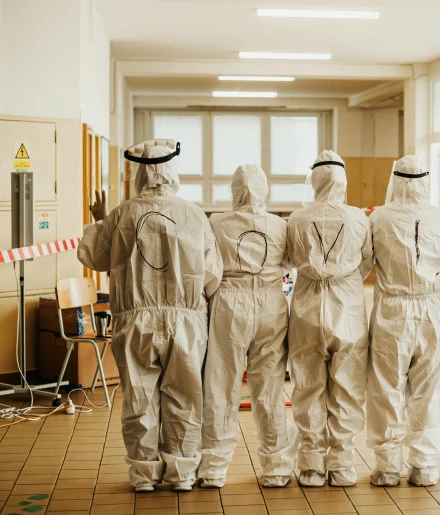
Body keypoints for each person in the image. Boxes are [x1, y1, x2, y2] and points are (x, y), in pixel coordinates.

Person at [78, 140, 223, 492]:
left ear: (139, 174)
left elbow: (95, 259)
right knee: (185, 397)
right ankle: (182, 474)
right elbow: (211, 274)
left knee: (139, 397)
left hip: (134, 320)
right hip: (186, 320)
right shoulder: (193, 213)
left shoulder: (121, 214)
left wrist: (99, 219)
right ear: (173, 172)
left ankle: (144, 475)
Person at [198, 164, 298, 488]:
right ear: (264, 189)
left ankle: (213, 469)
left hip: (229, 301)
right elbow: (288, 268)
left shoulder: (216, 223)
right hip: (272, 303)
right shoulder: (280, 226)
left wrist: (215, 298)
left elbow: (209, 269)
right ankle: (277, 468)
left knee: (220, 386)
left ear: (234, 191)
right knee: (269, 389)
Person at [287, 150, 373, 487]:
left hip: (307, 306)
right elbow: (366, 262)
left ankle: (310, 465)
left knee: (308, 386)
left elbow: (292, 258)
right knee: (348, 387)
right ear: (343, 180)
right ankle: (342, 464)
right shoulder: (358, 218)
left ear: (315, 180)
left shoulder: (297, 218)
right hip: (347, 306)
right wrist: (343, 277)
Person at [366, 156, 440, 487]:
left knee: (386, 388)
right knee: (427, 390)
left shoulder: (379, 218)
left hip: (392, 311)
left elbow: (363, 263)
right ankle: (425, 466)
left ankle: (387, 467)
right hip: (432, 309)